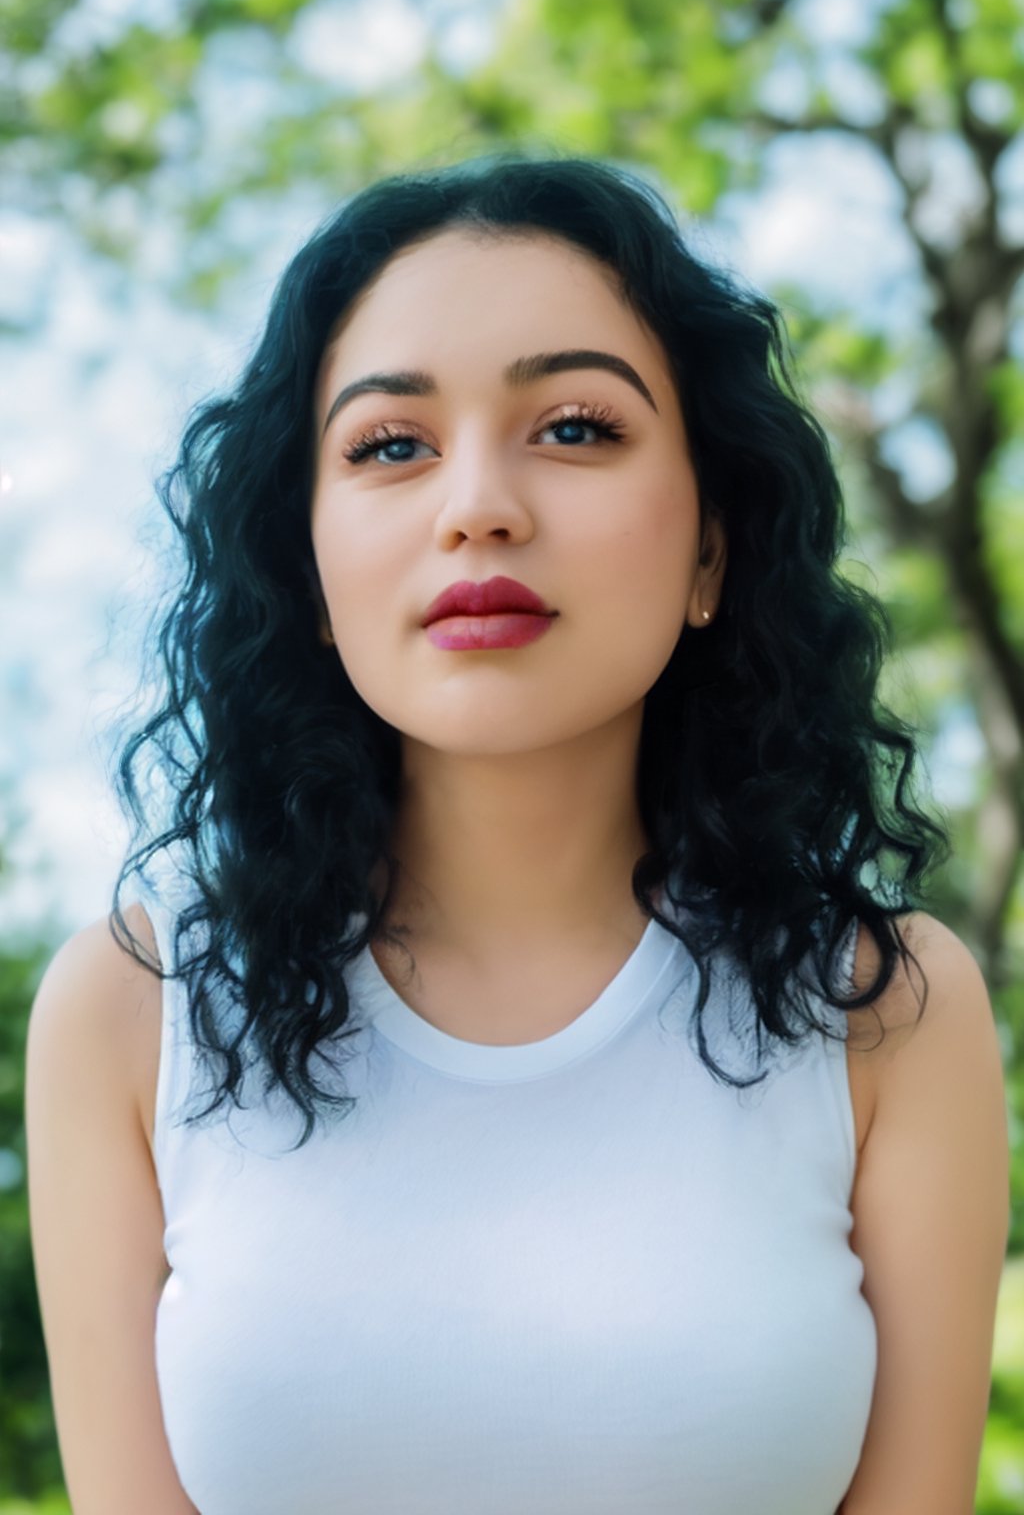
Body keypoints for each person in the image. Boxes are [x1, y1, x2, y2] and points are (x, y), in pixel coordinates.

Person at [26, 155, 1009, 1515]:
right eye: (390, 446)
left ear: (713, 550)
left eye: (574, 428)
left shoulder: (886, 1012)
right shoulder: (136, 1012)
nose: (477, 504)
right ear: (305, 570)